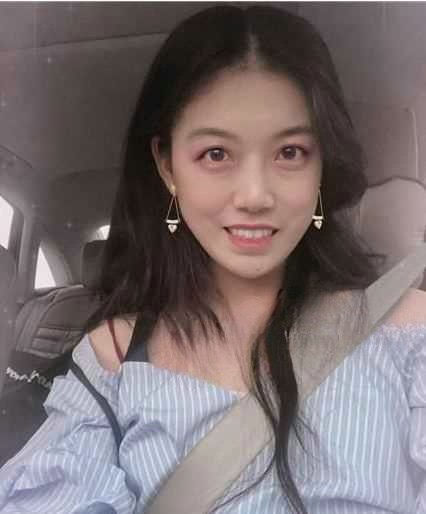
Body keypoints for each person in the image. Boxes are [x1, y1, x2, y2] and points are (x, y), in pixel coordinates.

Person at [0, 4, 425, 513]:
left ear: (321, 166)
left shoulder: (409, 336)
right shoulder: (113, 358)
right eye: (216, 154)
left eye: (290, 152)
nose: (254, 195)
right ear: (168, 167)